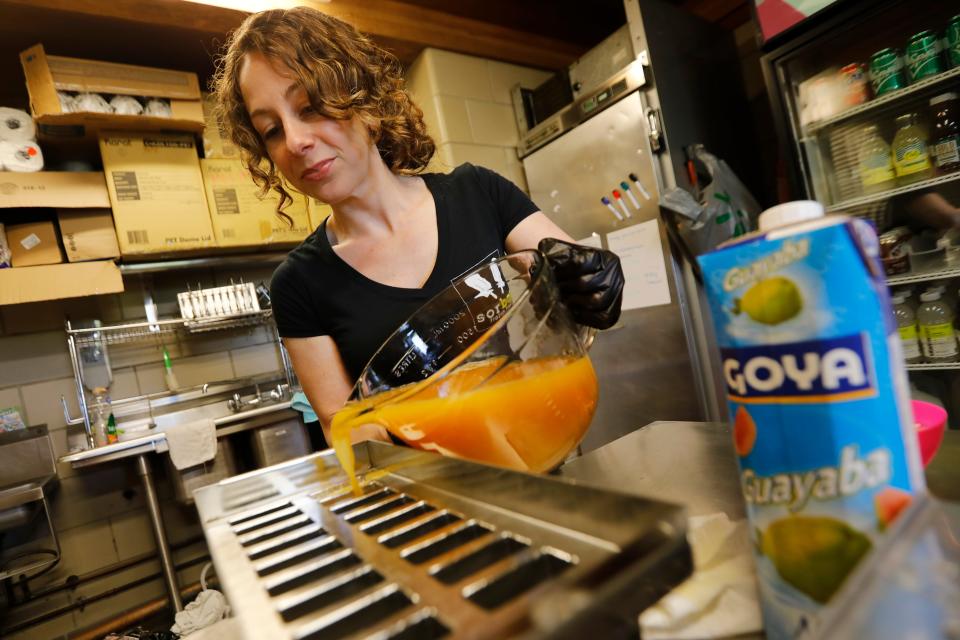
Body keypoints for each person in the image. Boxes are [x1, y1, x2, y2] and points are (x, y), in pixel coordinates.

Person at [212, 7, 624, 445]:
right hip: (432, 493)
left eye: (311, 107)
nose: (295, 142)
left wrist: (594, 281)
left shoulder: (477, 193)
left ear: (364, 101)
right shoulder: (298, 284)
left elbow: (572, 279)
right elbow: (341, 425)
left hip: (546, 447)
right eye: (272, 129)